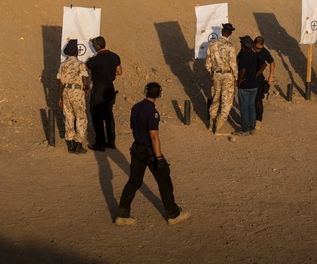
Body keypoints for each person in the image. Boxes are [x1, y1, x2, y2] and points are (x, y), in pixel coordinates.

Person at [115, 82, 190, 226]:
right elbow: (154, 136)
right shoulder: (152, 112)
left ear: (145, 91)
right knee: (164, 181)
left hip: (137, 148)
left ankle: (122, 214)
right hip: (149, 151)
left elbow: (132, 125)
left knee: (134, 182)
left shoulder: (136, 107)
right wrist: (159, 158)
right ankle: (173, 214)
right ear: (159, 94)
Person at [86, 36, 122, 151]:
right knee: (108, 114)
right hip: (110, 88)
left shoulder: (94, 60)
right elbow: (119, 72)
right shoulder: (115, 56)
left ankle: (100, 142)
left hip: (98, 89)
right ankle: (111, 140)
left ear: (96, 47)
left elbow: (84, 68)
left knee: (97, 115)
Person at [57, 39, 90, 154]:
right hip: (77, 92)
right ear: (77, 52)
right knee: (80, 118)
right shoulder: (80, 64)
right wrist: (87, 88)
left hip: (66, 92)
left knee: (69, 117)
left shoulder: (63, 65)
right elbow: (84, 79)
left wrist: (60, 98)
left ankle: (70, 144)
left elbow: (60, 82)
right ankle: (78, 144)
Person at [205, 23, 237, 136]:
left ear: (222, 30)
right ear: (230, 33)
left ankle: (211, 123)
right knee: (226, 100)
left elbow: (208, 63)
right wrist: (236, 77)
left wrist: (213, 72)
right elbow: (233, 63)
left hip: (216, 75)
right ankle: (219, 127)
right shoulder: (230, 46)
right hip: (227, 75)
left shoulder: (212, 44)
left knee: (215, 99)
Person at [236, 36, 266, 135]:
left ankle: (244, 129)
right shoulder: (254, 54)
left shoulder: (243, 55)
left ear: (244, 45)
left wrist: (239, 81)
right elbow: (264, 65)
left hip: (245, 85)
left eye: (241, 42)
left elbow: (243, 69)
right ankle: (252, 127)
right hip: (254, 84)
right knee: (251, 106)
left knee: (244, 107)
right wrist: (255, 75)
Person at [252, 36, 275, 129]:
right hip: (249, 77)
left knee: (258, 100)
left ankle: (258, 119)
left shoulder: (264, 52)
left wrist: (271, 75)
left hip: (258, 78)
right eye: (257, 48)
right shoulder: (249, 49)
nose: (258, 50)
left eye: (260, 48)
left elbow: (272, 62)